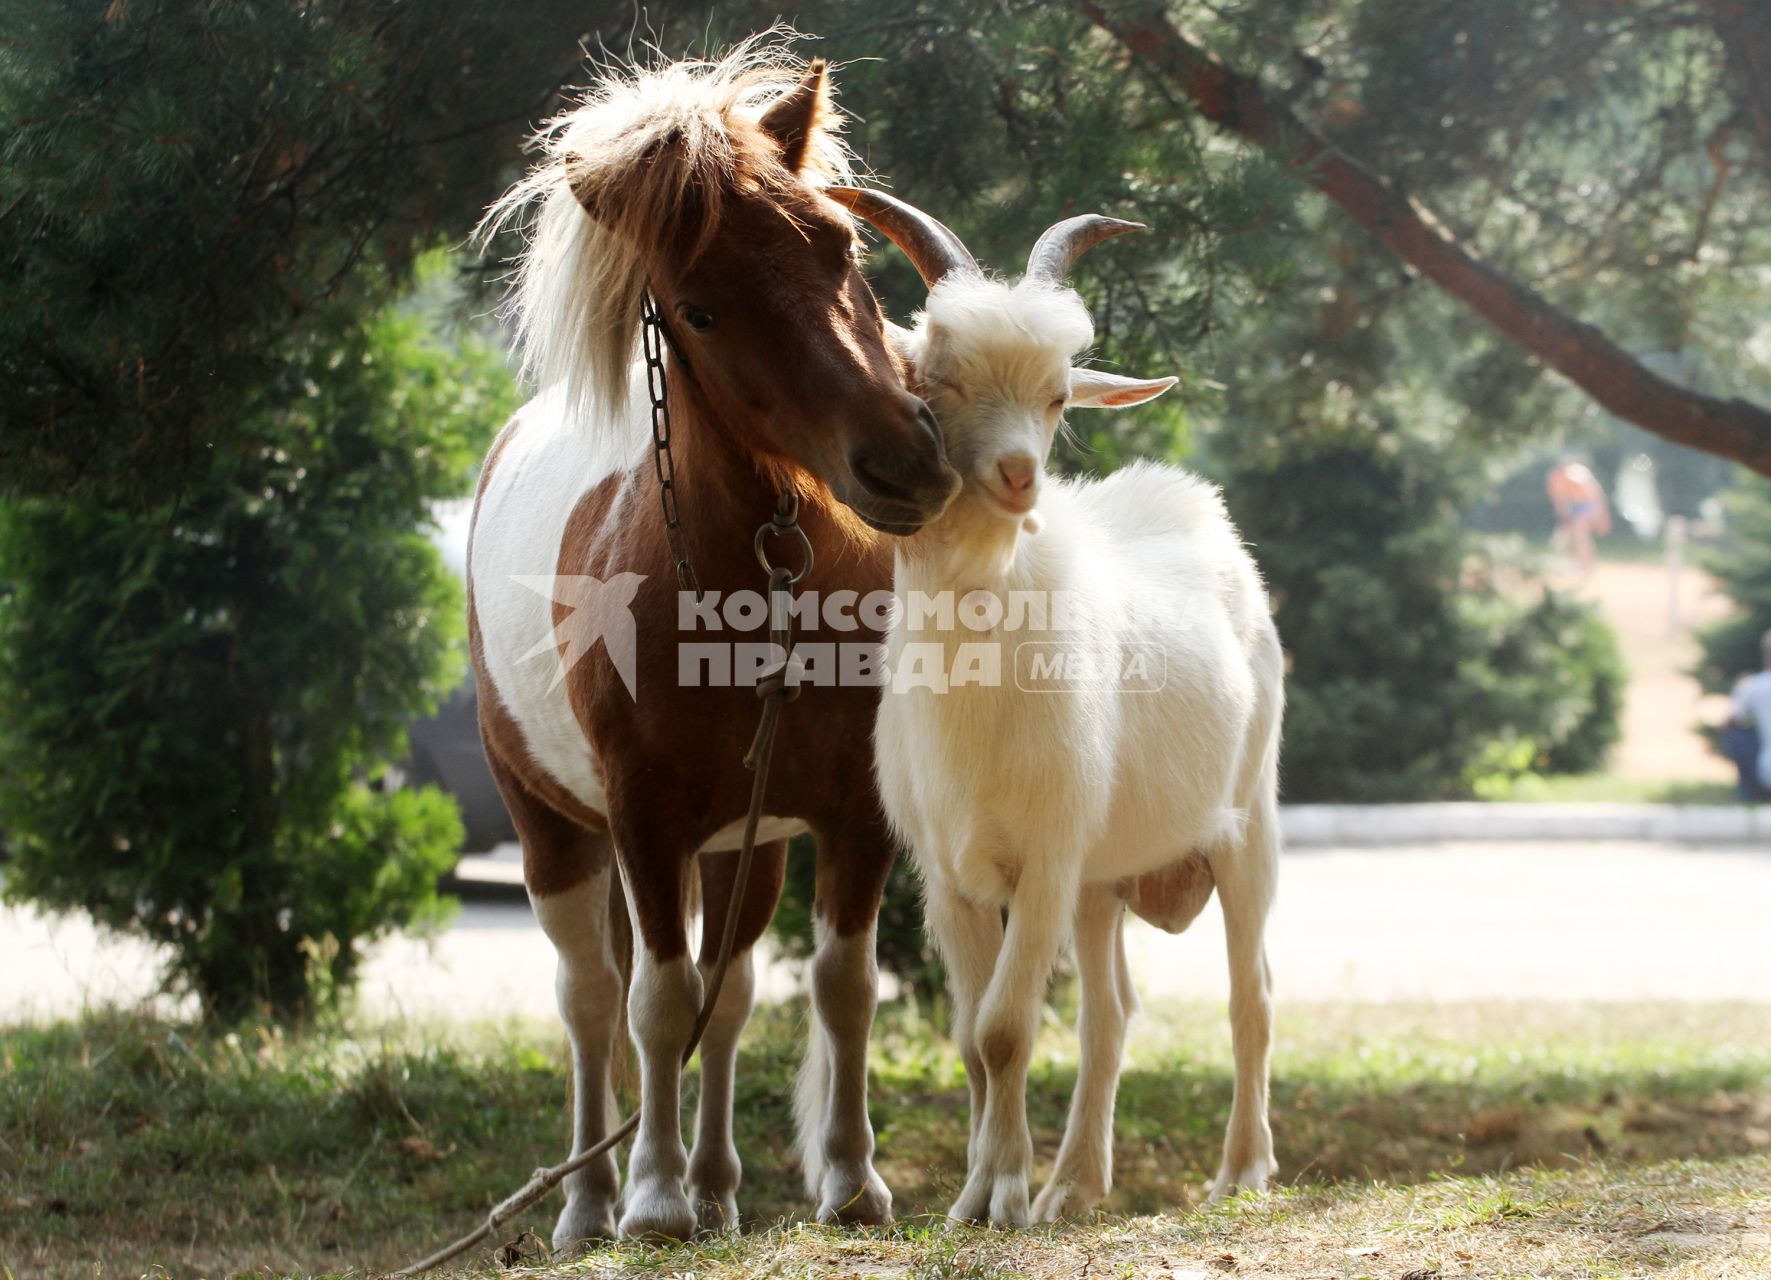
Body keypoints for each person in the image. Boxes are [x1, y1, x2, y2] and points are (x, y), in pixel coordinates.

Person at [1725, 627, 1771, 802]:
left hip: (1766, 772)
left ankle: (1747, 793)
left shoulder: (1751, 686)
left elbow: (1730, 721)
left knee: (1737, 731)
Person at [1546, 457, 1612, 575]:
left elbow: (1594, 496)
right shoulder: (1556, 477)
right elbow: (1559, 499)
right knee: (1569, 535)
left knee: (1580, 534)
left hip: (1587, 506)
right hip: (1575, 506)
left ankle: (1585, 564)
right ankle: (1579, 562)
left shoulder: (1576, 475)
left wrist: (1600, 514)